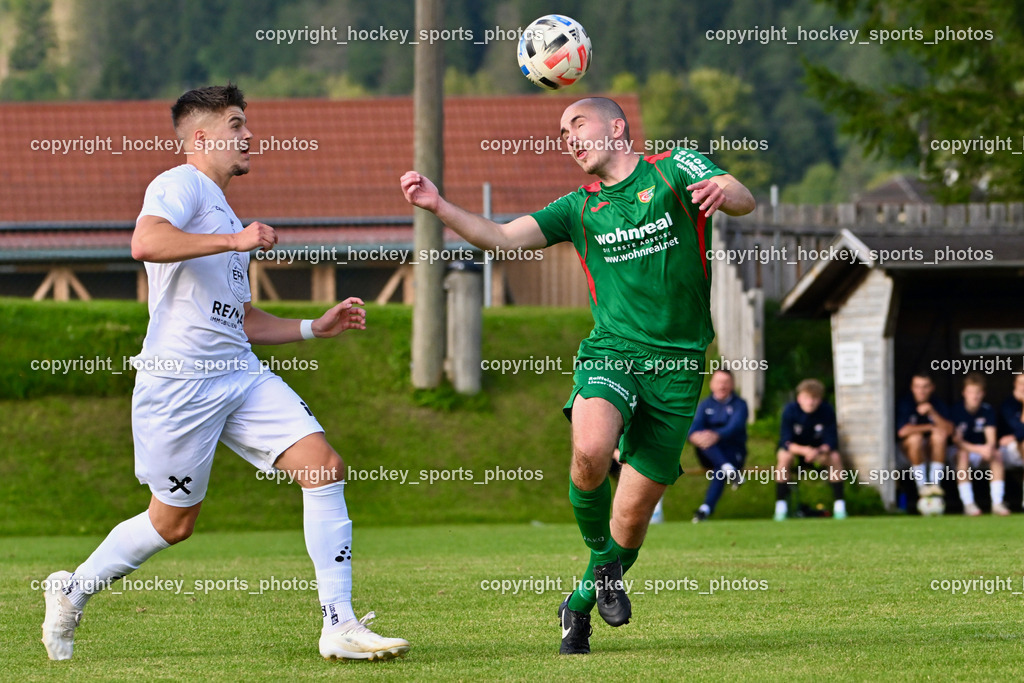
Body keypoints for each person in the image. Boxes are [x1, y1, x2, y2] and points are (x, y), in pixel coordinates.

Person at [41, 85, 409, 662]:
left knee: (323, 466)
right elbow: (145, 241)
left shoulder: (225, 213)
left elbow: (239, 318)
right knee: (172, 523)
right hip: (180, 383)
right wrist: (234, 240)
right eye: (236, 125)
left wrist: (313, 327)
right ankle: (73, 589)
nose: (248, 135)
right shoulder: (180, 183)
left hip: (238, 374)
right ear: (202, 138)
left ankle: (338, 624)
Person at [401, 97, 755, 654]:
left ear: (617, 127)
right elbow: (502, 237)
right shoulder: (578, 208)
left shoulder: (674, 167)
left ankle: (581, 601)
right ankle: (605, 564)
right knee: (590, 450)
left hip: (679, 367)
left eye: (576, 125)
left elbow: (741, 195)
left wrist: (722, 192)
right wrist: (439, 205)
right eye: (561, 132)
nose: (567, 138)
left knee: (631, 520)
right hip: (612, 351)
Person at [773, 379, 845, 520]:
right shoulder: (790, 411)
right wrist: (805, 451)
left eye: (814, 398)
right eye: (807, 397)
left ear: (820, 399)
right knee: (783, 458)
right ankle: (780, 507)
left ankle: (840, 506)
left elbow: (831, 441)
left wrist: (816, 451)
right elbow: (785, 441)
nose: (810, 402)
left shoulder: (827, 411)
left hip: (819, 453)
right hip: (796, 452)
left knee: (835, 457)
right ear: (799, 398)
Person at [688, 369, 748, 522]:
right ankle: (730, 471)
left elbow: (734, 427)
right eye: (719, 382)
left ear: (732, 384)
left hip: (734, 453)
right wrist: (694, 436)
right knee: (704, 439)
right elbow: (693, 428)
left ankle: (705, 509)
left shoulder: (740, 405)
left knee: (720, 469)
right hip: (708, 454)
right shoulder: (704, 405)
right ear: (711, 384)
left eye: (726, 382)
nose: (722, 386)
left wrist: (716, 435)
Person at [951, 373, 1007, 516]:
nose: (974, 396)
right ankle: (968, 504)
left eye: (977, 393)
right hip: (959, 452)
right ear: (964, 393)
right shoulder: (956, 411)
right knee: (963, 455)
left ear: (983, 394)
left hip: (980, 451)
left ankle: (997, 503)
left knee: (996, 455)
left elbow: (991, 439)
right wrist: (978, 449)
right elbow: (957, 441)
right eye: (971, 392)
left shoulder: (987, 410)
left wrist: (988, 448)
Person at [895, 373, 953, 499]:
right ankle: (922, 487)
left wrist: (932, 412)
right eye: (917, 387)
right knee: (916, 438)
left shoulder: (937, 403)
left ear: (932, 387)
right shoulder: (905, 403)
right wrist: (930, 427)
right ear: (912, 388)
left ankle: (935, 485)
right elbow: (902, 431)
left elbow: (949, 431)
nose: (921, 391)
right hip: (905, 453)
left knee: (939, 436)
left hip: (931, 451)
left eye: (925, 387)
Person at [997, 373, 1024, 471]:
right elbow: (1018, 427)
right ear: (1015, 384)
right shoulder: (1007, 405)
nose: (1023, 387)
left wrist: (1014, 436)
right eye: (1021, 383)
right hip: (1007, 450)